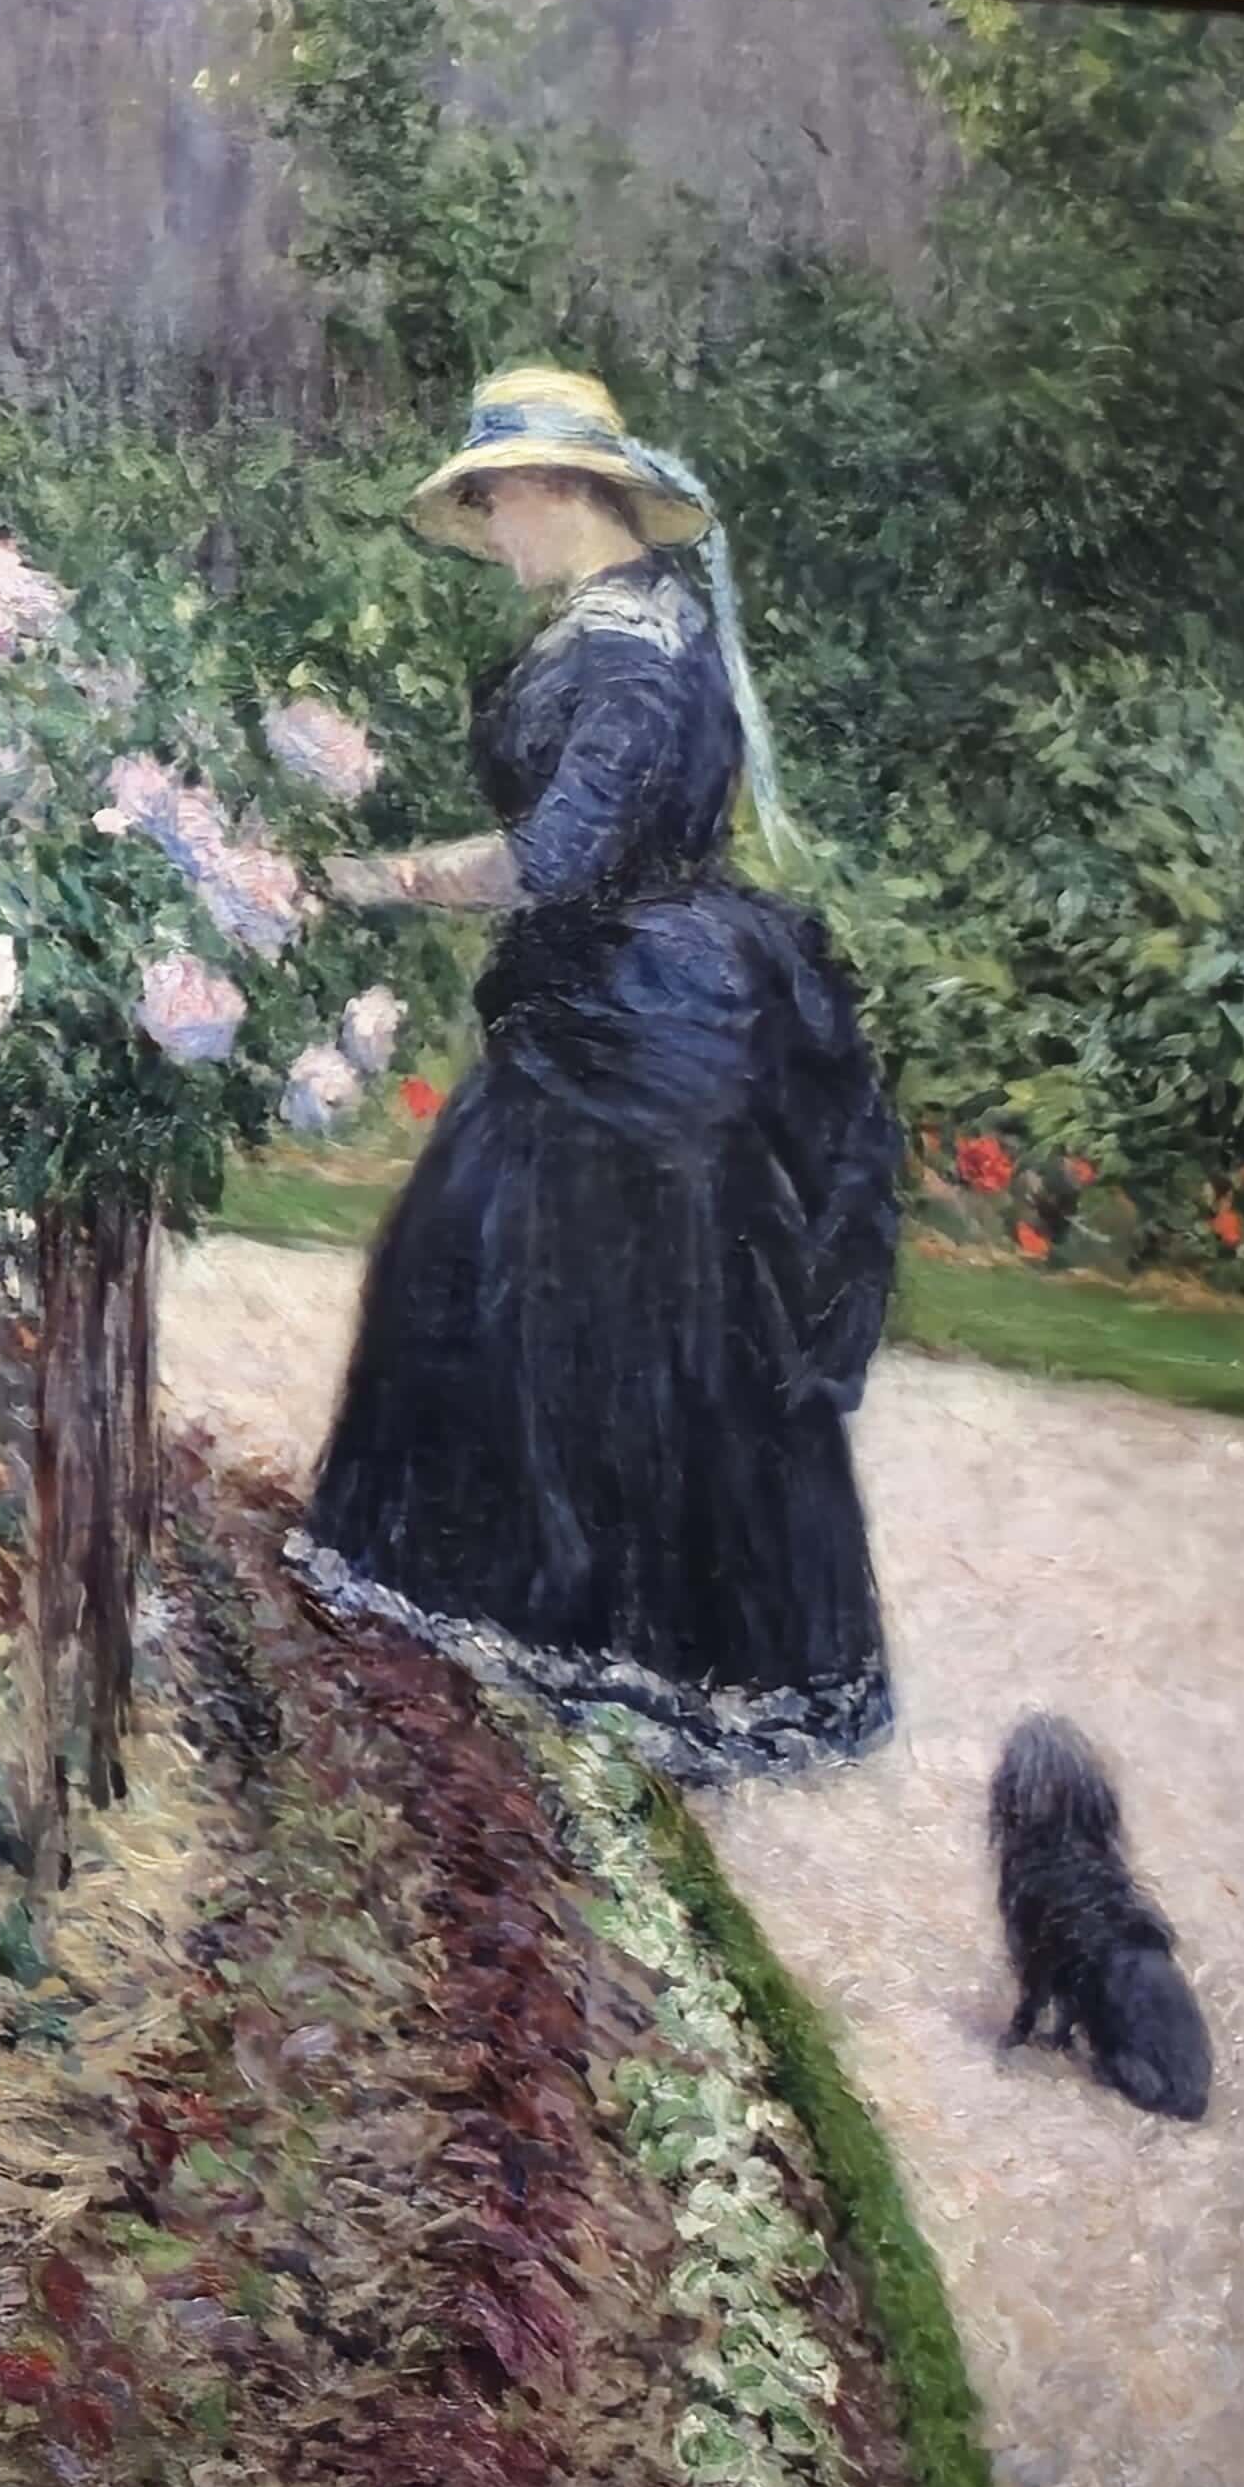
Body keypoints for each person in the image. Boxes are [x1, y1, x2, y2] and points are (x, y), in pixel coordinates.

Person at [294, 366, 903, 1780]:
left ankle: (631, 1655)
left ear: (566, 489)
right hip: (613, 1013)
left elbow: (551, 860)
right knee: (494, 1290)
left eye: (494, 497)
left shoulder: (627, 655)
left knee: (597, 1324)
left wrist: (365, 879)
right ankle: (513, 1617)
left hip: (640, 1035)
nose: (489, 527)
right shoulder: (628, 628)